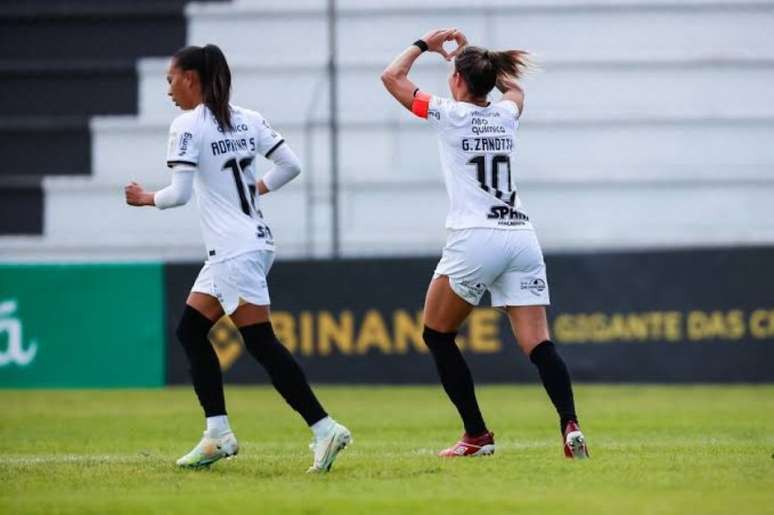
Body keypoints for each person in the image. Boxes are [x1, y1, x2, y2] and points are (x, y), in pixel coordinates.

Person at [124, 44, 351, 472]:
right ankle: (217, 434)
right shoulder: (249, 118)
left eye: (171, 79)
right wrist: (251, 192)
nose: (169, 90)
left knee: (262, 343)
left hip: (233, 249)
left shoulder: (188, 124)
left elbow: (179, 195)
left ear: (190, 78)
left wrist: (144, 198)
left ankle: (324, 428)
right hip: (254, 241)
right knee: (191, 331)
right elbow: (291, 165)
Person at [381, 29, 589, 459]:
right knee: (538, 343)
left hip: (475, 238)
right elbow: (515, 88)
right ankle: (570, 424)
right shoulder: (505, 115)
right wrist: (484, 65)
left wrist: (426, 45)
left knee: (437, 335)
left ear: (457, 80)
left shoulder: (446, 113)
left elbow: (391, 76)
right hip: (520, 236)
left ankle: (475, 435)